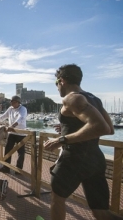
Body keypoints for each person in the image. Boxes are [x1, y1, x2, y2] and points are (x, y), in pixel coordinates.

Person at [44, 64, 122, 220]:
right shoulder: (94, 99)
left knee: (57, 199)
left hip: (73, 159)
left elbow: (101, 127)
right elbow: (110, 128)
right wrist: (67, 128)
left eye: (56, 84)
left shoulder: (72, 98)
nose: (57, 88)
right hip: (95, 160)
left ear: (62, 80)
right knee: (101, 212)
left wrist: (62, 139)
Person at [0, 95, 27, 173]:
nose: (12, 103)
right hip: (12, 133)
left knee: (21, 152)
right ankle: (6, 168)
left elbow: (20, 118)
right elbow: (3, 116)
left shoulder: (23, 109)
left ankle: (18, 169)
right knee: (7, 149)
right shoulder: (10, 109)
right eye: (11, 101)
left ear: (18, 102)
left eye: (13, 102)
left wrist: (12, 126)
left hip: (21, 134)